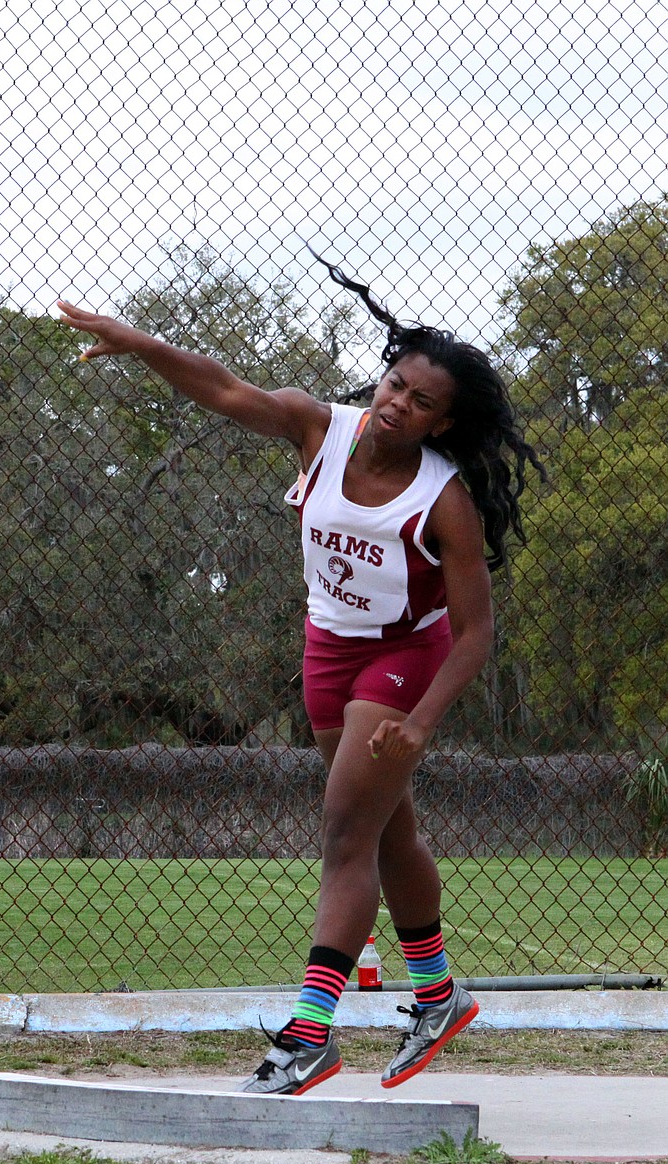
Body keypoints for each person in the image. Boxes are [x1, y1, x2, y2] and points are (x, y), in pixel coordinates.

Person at [57, 252, 545, 1096]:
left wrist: (421, 720)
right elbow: (223, 388)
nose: (398, 403)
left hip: (403, 657)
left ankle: (310, 1034)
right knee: (386, 832)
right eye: (395, 384)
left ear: (441, 424)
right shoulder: (320, 429)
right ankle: (438, 996)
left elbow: (475, 634)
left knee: (345, 835)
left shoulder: (444, 501)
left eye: (421, 402)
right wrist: (141, 343)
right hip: (329, 648)